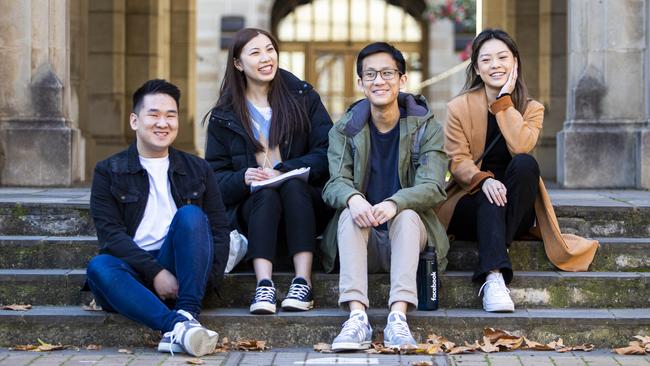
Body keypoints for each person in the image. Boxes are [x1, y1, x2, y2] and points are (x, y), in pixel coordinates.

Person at [437, 28, 598, 313]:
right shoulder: (458, 107)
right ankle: (495, 276)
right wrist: (483, 180)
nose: (495, 65)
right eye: (486, 60)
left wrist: (504, 101)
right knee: (489, 198)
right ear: (476, 67)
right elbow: (457, 159)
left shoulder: (532, 108)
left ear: (515, 62)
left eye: (502, 57)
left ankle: (494, 252)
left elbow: (522, 146)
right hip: (469, 201)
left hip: (515, 207)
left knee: (526, 164)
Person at [86, 79, 230, 357]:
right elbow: (110, 236)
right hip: (133, 273)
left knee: (191, 215)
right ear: (134, 121)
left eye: (170, 115)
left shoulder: (198, 169)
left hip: (182, 273)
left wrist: (204, 282)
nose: (162, 123)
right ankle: (179, 326)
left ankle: (187, 310)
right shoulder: (108, 171)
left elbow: (219, 230)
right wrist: (156, 273)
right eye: (153, 114)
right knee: (99, 266)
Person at [321, 42, 449, 350]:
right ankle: (356, 319)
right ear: (361, 83)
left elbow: (434, 185)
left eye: (388, 73)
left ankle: (398, 319)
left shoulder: (426, 127)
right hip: (362, 243)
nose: (379, 81)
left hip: (408, 241)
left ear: (402, 80)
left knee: (405, 215)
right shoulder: (345, 129)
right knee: (351, 214)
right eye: (371, 75)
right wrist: (353, 198)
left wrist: (395, 203)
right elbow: (334, 182)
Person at [205, 28, 332, 315]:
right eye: (255, 52)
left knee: (291, 186)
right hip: (255, 210)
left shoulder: (303, 97)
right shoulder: (224, 115)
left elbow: (328, 152)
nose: (266, 58)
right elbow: (214, 178)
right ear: (238, 63)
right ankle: (264, 284)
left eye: (270, 49)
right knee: (266, 195)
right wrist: (243, 178)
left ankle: (303, 281)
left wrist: (284, 170)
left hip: (305, 204)